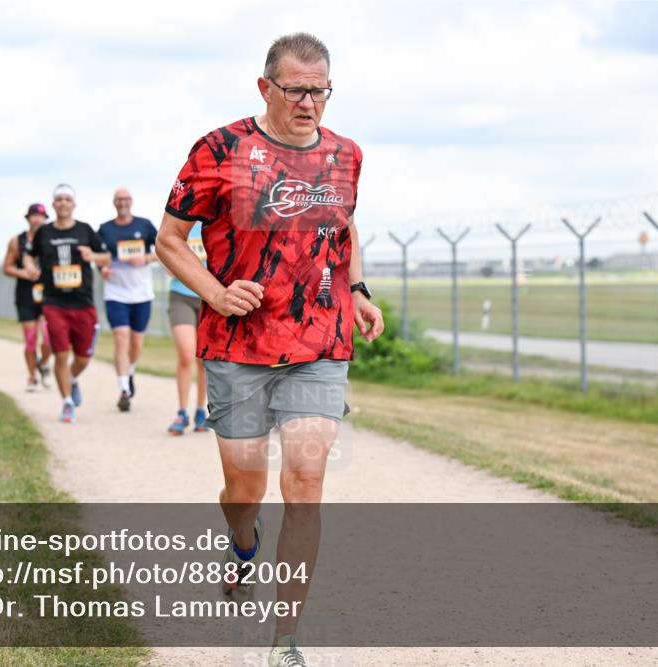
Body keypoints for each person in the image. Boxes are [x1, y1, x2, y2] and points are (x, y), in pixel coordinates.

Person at [155, 33, 383, 667]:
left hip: (320, 341)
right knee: (244, 488)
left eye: (320, 90)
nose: (309, 103)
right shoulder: (220, 149)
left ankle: (286, 637)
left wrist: (357, 288)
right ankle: (242, 542)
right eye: (296, 90)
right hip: (237, 344)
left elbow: (345, 224)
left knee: (306, 480)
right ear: (266, 88)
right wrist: (216, 292)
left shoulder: (347, 154)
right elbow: (169, 239)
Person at [22, 184, 111, 423]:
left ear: (73, 204)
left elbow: (106, 256)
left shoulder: (85, 230)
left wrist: (92, 256)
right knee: (60, 354)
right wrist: (30, 267)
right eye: (58, 199)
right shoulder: (44, 232)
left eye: (67, 200)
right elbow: (29, 255)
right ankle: (67, 402)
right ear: (53, 204)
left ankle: (72, 379)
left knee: (83, 358)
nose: (63, 203)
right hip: (54, 303)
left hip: (83, 302)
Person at [97, 189, 158, 412]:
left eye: (126, 199)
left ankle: (130, 370)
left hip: (141, 293)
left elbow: (163, 250)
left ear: (131, 202)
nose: (122, 203)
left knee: (136, 343)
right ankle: (123, 388)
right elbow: (98, 256)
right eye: (119, 199)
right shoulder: (105, 229)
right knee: (121, 338)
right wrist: (102, 268)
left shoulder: (144, 226)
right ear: (114, 203)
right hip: (115, 293)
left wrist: (145, 258)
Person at [3, 203, 53, 391]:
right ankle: (32, 376)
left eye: (40, 216)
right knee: (30, 338)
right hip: (26, 295)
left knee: (48, 338)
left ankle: (44, 363)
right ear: (28, 218)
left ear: (45, 218)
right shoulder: (17, 241)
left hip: (48, 293)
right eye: (33, 215)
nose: (37, 219)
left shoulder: (51, 237)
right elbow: (7, 267)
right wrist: (25, 273)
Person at [165, 221, 209, 434]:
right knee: (186, 353)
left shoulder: (216, 220)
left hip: (209, 297)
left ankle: (201, 410)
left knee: (203, 359)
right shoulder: (178, 221)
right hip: (180, 295)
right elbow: (163, 250)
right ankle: (182, 412)